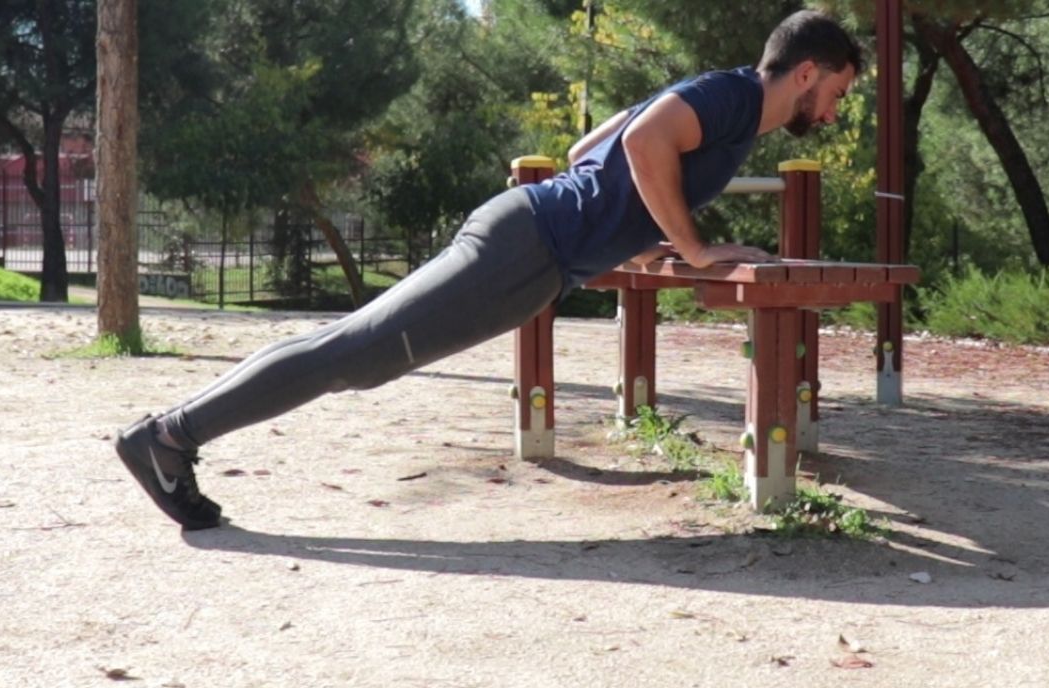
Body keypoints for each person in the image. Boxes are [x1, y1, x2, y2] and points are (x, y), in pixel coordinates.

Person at [117, 10, 865, 531]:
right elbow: (641, 143)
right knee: (356, 352)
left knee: (359, 352)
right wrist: (697, 249)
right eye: (836, 93)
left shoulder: (727, 107)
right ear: (806, 72)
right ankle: (172, 436)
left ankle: (174, 437)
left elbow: (588, 153)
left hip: (534, 252)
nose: (832, 112)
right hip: (524, 246)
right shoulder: (734, 97)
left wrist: (642, 244)